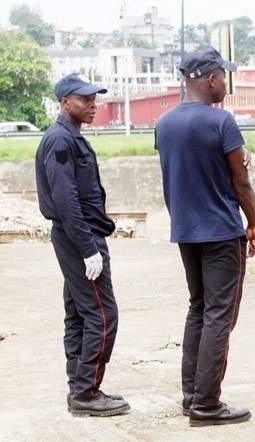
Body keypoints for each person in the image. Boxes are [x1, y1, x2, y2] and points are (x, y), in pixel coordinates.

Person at [155, 45, 255, 427]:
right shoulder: (222, 122)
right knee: (220, 315)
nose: (225, 84)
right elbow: (240, 181)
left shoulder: (164, 124)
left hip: (186, 231)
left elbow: (186, 169)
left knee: (198, 308)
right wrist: (254, 221)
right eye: (223, 77)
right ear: (212, 79)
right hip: (221, 232)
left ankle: (191, 396)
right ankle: (207, 404)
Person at [35, 73, 131, 417]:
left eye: (94, 99)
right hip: (79, 236)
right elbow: (66, 201)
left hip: (76, 235)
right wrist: (88, 249)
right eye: (85, 99)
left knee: (78, 311)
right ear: (65, 102)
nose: (93, 105)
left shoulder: (70, 138)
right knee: (103, 315)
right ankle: (86, 393)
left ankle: (80, 387)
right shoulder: (61, 141)